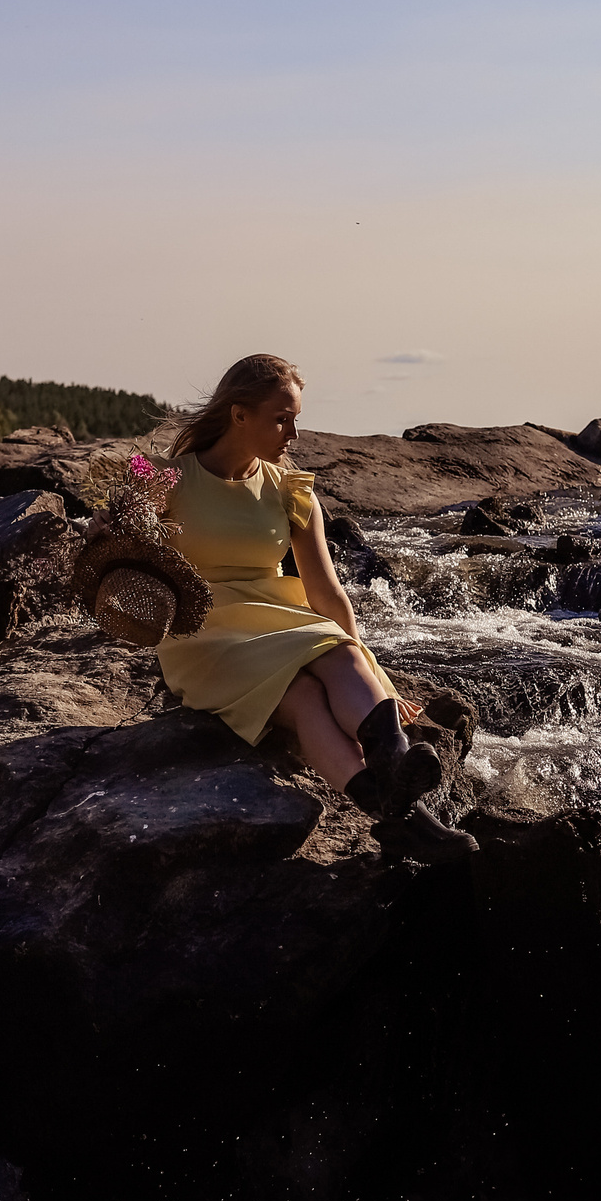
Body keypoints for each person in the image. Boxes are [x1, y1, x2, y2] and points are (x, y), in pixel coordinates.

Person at [153, 354, 477, 859]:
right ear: (239, 415)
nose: (293, 434)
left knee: (342, 654)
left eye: (296, 419)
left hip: (278, 618)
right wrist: (112, 529)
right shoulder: (165, 480)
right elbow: (114, 559)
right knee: (304, 696)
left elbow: (325, 592)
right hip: (205, 632)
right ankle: (407, 809)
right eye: (282, 419)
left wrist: (376, 674)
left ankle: (395, 799)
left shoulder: (290, 491)